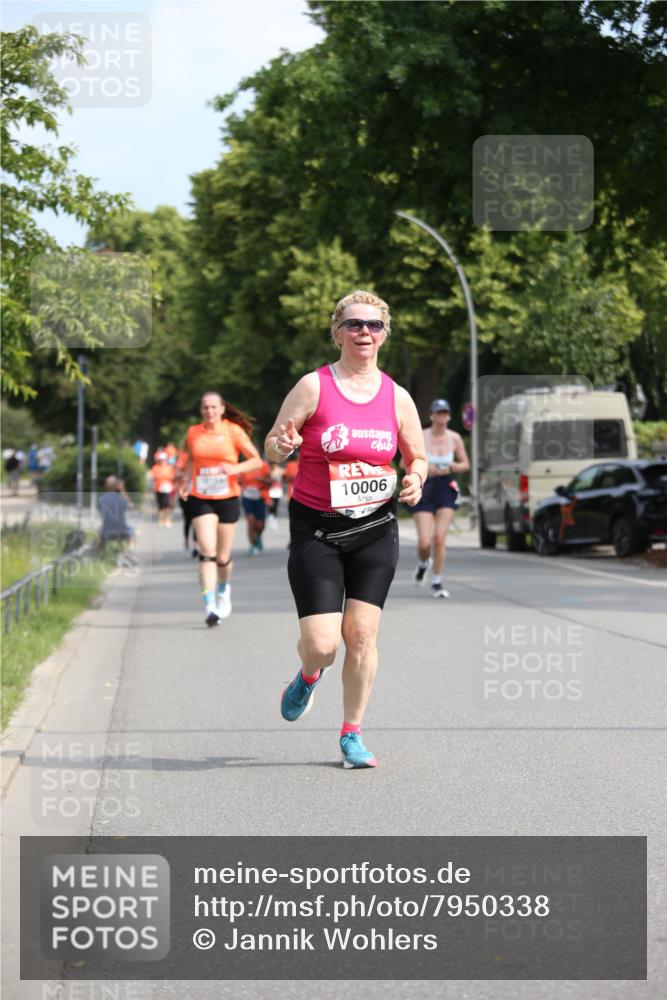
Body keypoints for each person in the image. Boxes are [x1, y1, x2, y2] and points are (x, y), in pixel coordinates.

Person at [265, 290, 426, 769]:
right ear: (337, 333)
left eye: (374, 325)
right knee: (323, 644)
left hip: (375, 529)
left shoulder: (397, 397)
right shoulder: (313, 387)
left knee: (361, 636)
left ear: (384, 335)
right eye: (354, 324)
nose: (364, 333)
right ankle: (308, 674)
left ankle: (352, 734)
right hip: (317, 530)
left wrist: (416, 479)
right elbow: (273, 444)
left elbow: (417, 457)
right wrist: (282, 445)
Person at [180, 392, 262, 626]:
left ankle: (223, 589)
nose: (209, 411)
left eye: (214, 407)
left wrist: (234, 470)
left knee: (223, 558)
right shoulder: (193, 432)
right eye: (205, 407)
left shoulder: (233, 431)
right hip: (200, 496)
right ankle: (209, 606)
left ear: (222, 409)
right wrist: (186, 481)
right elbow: (191, 460)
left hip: (227, 496)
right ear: (201, 410)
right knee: (207, 550)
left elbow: (256, 460)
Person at [409, 399, 470, 597]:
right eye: (438, 413)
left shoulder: (455, 438)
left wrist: (451, 467)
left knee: (440, 538)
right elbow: (405, 462)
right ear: (432, 416)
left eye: (445, 413)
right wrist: (425, 468)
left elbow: (465, 464)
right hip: (425, 487)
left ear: (449, 416)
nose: (441, 417)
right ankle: (423, 563)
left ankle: (437, 582)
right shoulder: (421, 436)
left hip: (445, 488)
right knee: (424, 542)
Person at [97, 475, 136, 559]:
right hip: (122, 532)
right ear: (117, 486)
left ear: (105, 486)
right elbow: (132, 507)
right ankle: (130, 552)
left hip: (106, 532)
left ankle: (97, 555)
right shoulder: (122, 499)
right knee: (132, 532)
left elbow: (102, 513)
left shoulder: (100, 499)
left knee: (100, 532)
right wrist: (123, 490)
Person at [239, 458, 272, 555]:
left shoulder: (263, 465)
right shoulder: (244, 465)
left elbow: (270, 481)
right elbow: (239, 481)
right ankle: (252, 545)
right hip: (247, 497)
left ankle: (258, 536)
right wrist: (240, 482)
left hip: (260, 497)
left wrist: (262, 479)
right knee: (250, 520)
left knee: (260, 525)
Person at [150, 450, 176, 527]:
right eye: (161, 460)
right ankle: (161, 520)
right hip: (159, 489)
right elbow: (153, 476)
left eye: (163, 460)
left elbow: (173, 476)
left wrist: (167, 477)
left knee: (168, 504)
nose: (162, 461)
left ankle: (167, 519)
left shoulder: (169, 468)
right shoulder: (155, 467)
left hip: (168, 489)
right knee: (161, 505)